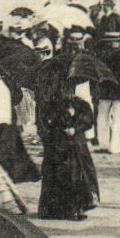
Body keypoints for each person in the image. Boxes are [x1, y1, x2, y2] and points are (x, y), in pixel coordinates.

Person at [37, 78, 99, 220]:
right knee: (57, 175)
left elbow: (88, 121)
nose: (67, 92)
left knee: (76, 175)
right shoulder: (52, 104)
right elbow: (46, 121)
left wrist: (76, 127)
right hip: (58, 144)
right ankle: (55, 209)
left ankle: (76, 207)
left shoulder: (81, 104)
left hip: (75, 145)